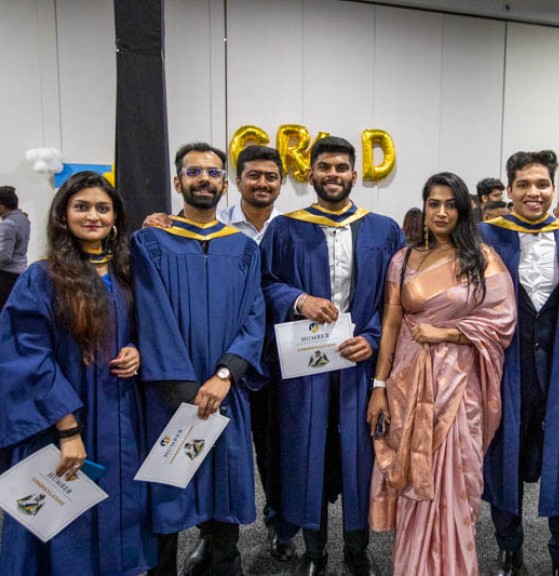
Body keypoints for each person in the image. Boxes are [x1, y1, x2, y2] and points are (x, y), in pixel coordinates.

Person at [260, 135, 404, 576]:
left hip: (360, 363)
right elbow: (263, 284)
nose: (333, 176)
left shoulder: (383, 228)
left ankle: (357, 551)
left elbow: (396, 300)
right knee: (307, 453)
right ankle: (314, 550)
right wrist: (298, 299)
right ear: (310, 174)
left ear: (354, 175)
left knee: (360, 455)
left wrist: (376, 338)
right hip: (308, 367)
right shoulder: (286, 228)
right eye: (324, 168)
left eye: (341, 168)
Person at [0, 171, 156, 575]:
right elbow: (27, 359)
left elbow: (141, 330)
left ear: (116, 217)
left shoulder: (126, 274)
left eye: (102, 208)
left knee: (119, 503)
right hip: (65, 418)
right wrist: (68, 431)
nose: (93, 216)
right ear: (63, 215)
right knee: (64, 520)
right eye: (81, 207)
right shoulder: (43, 277)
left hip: (119, 415)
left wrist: (136, 350)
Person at [367, 172, 516, 575]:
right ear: (424, 207)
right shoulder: (403, 260)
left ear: (464, 210)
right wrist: (379, 387)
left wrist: (448, 331)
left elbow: (502, 322)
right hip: (408, 381)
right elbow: (391, 325)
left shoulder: (482, 259)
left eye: (451, 204)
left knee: (456, 477)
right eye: (434, 203)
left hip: (460, 385)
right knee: (414, 474)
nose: (442, 212)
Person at [132, 142, 266, 576]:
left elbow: (254, 315)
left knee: (225, 480)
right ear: (178, 182)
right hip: (171, 392)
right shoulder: (149, 243)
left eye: (212, 173)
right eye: (194, 173)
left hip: (225, 388)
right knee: (168, 483)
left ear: (224, 184)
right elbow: (153, 316)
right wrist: (186, 390)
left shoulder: (244, 248)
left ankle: (222, 561)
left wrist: (226, 374)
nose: (204, 179)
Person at [480, 150, 559, 576]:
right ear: (509, 191)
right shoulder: (486, 236)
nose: (533, 192)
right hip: (508, 369)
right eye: (523, 184)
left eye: (542, 184)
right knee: (503, 457)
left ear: (553, 189)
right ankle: (509, 547)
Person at [0, 185, 30, 309]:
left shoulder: (8, 225)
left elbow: (4, 256)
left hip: (5, 276)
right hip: (19, 272)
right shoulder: (23, 219)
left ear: (1, 207)